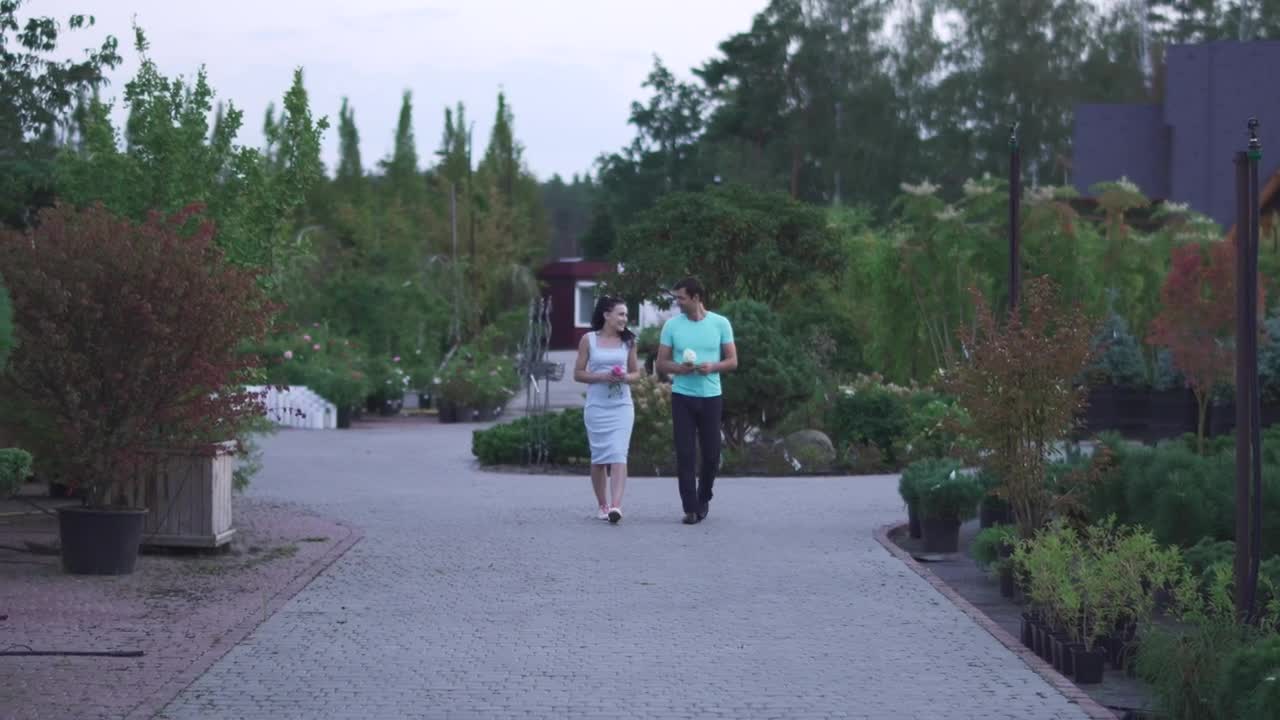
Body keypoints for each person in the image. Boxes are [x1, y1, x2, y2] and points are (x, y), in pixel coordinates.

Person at [655, 277, 737, 525]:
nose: (677, 302)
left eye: (681, 297)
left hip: (711, 397)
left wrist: (713, 366)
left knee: (711, 455)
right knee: (685, 453)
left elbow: (732, 361)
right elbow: (661, 363)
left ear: (696, 297)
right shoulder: (671, 326)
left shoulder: (720, 323)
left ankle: (704, 496)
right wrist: (680, 369)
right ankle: (690, 508)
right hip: (682, 397)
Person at [573, 296, 641, 524]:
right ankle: (602, 504)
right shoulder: (588, 340)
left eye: (626, 315)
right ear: (606, 315)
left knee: (619, 452)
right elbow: (578, 373)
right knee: (600, 457)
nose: (625, 319)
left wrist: (624, 377)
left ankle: (616, 506)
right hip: (597, 406)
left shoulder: (629, 341)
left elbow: (636, 373)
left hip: (622, 406)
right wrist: (601, 376)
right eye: (621, 314)